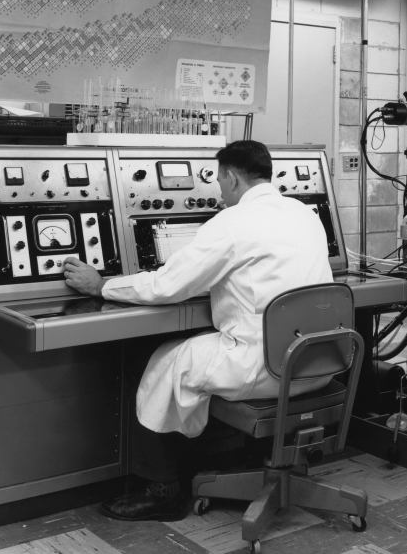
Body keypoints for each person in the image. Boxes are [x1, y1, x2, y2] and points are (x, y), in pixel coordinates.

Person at [63, 140, 333, 521]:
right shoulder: (305, 214)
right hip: (318, 362)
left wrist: (101, 286)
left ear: (232, 177)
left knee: (150, 359)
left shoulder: (233, 222)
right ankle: (238, 458)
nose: (219, 192)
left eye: (219, 183)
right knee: (177, 357)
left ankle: (164, 491)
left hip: (263, 367)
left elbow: (168, 286)